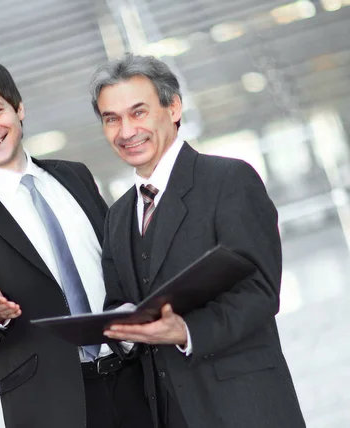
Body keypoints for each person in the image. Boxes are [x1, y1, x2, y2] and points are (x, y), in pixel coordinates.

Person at [0, 58, 152, 428]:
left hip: (137, 379)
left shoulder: (75, 176)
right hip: (52, 406)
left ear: (19, 108)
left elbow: (119, 268)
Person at [90, 54, 306, 428]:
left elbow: (260, 292)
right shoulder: (117, 217)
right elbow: (118, 302)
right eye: (112, 119)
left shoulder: (228, 181)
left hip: (244, 409)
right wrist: (123, 331)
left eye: (138, 112)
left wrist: (187, 331)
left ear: (173, 107)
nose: (126, 131)